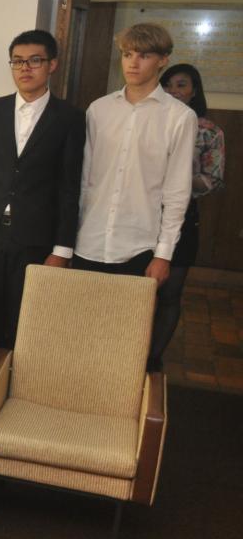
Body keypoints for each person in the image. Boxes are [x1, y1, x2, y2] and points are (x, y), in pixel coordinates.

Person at [71, 23, 196, 371]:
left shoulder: (179, 117)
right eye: (127, 54)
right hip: (89, 241)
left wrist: (164, 254)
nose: (133, 62)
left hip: (138, 246)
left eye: (144, 55)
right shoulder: (99, 109)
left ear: (162, 60)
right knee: (81, 335)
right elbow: (84, 180)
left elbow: (177, 193)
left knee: (125, 341)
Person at [0, 31, 83, 345]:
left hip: (35, 237)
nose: (25, 68)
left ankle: (13, 374)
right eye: (17, 61)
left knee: (24, 322)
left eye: (35, 61)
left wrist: (62, 250)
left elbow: (69, 186)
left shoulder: (70, 118)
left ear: (52, 65)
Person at [149, 62, 224, 369]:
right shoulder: (149, 121)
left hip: (181, 217)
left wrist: (178, 176)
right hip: (143, 215)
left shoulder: (208, 130)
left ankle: (153, 358)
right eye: (167, 85)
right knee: (138, 292)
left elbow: (212, 180)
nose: (173, 91)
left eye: (181, 85)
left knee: (169, 293)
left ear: (194, 91)